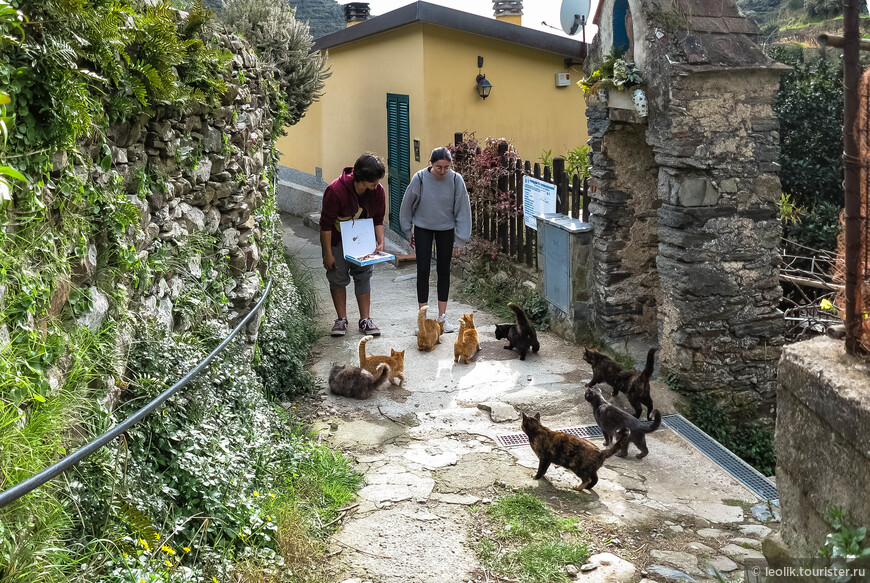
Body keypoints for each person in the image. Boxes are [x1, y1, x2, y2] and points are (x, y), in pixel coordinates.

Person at [399, 147, 472, 333]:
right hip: (422, 227)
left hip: (446, 229)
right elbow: (407, 205)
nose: (442, 171)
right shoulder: (420, 178)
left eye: (446, 167)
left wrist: (461, 240)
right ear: (431, 164)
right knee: (422, 269)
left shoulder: (456, 180)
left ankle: (442, 318)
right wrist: (407, 231)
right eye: (439, 167)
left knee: (443, 271)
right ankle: (422, 320)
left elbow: (463, 209)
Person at [319, 153, 386, 337]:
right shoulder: (335, 190)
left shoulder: (378, 191)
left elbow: (378, 219)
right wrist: (328, 254)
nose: (377, 183)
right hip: (337, 239)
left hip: (363, 239)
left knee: (364, 275)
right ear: (361, 177)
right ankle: (341, 320)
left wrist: (380, 241)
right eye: (373, 180)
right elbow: (325, 225)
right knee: (337, 276)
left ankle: (365, 320)